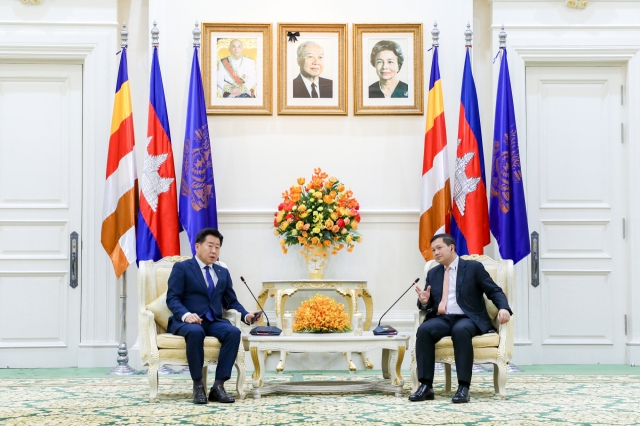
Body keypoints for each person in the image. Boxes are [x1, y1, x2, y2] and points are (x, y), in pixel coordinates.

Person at [410, 233, 512, 403]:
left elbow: (493, 290)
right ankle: (426, 386)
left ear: (451, 247)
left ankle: (463, 387)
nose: (436, 253)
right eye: (433, 250)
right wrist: (424, 301)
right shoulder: (434, 273)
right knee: (424, 330)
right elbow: (427, 303)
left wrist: (503, 307)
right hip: (443, 318)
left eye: (439, 248)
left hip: (468, 317)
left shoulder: (473, 268)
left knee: (461, 330)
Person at [166, 228, 261, 404]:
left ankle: (218, 386)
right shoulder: (182, 268)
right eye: (210, 246)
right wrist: (186, 315)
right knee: (195, 332)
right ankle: (198, 386)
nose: (214, 251)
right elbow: (172, 298)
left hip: (213, 320)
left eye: (217, 247)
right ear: (197, 246)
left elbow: (231, 302)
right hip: (188, 321)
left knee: (233, 333)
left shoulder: (222, 272)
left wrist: (246, 315)